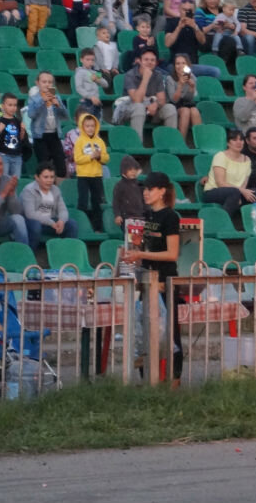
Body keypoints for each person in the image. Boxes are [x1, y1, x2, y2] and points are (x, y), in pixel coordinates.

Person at [120, 171, 186, 382]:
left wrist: (141, 253)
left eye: (150, 189)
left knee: (170, 332)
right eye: (145, 189)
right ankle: (147, 378)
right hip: (147, 280)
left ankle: (175, 380)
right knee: (144, 330)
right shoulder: (147, 217)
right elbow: (142, 245)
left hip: (165, 280)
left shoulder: (170, 217)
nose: (146, 193)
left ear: (162, 191)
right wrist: (133, 252)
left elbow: (172, 253)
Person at [122, 49, 179, 142]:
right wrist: (145, 78)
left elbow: (162, 99)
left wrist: (156, 105)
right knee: (139, 107)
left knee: (170, 108)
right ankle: (137, 146)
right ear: (139, 61)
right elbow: (137, 100)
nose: (149, 62)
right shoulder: (130, 75)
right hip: (130, 110)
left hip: (151, 111)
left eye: (152, 60)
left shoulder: (158, 75)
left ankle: (170, 143)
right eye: (146, 60)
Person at [21, 161, 78, 249]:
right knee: (36, 226)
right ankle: (30, 253)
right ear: (37, 177)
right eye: (46, 177)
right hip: (32, 222)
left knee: (72, 224)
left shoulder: (56, 190)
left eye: (52, 177)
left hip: (51, 223)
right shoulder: (29, 190)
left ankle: (67, 254)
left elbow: (63, 209)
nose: (49, 180)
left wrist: (61, 221)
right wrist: (51, 222)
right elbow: (30, 214)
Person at [202, 128, 255, 216]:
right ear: (228, 143)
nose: (239, 142)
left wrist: (241, 193)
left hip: (236, 191)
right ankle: (223, 222)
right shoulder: (220, 156)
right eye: (234, 140)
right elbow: (220, 183)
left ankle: (250, 226)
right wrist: (241, 191)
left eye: (241, 139)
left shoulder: (247, 159)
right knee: (234, 192)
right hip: (214, 191)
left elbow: (244, 182)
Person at [26, 71, 68, 178]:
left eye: (50, 82)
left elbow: (65, 116)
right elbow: (31, 114)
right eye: (44, 82)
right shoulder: (34, 98)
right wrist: (42, 101)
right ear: (38, 83)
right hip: (41, 136)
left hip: (54, 135)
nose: (47, 84)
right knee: (44, 167)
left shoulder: (56, 97)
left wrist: (59, 105)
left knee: (61, 168)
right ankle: (46, 188)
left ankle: (56, 189)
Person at [73, 112, 108, 232]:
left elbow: (106, 158)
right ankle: (81, 225)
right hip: (83, 176)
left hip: (97, 175)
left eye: (92, 125)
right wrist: (91, 157)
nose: (90, 128)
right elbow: (77, 159)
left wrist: (99, 157)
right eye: (87, 126)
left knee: (97, 202)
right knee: (82, 201)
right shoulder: (79, 141)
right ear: (82, 127)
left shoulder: (100, 141)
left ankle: (97, 227)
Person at [0, 92, 26, 177]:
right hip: (3, 156)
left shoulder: (18, 121)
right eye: (10, 105)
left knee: (15, 181)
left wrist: (23, 131)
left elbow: (21, 140)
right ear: (2, 106)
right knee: (4, 181)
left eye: (15, 105)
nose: (13, 108)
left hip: (17, 156)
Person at [166, 54, 202, 139]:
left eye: (183, 63)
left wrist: (192, 87)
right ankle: (181, 141)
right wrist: (180, 85)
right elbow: (174, 100)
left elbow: (190, 99)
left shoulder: (192, 77)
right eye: (177, 64)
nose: (180, 66)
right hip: (174, 105)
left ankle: (200, 141)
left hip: (187, 103)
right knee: (185, 111)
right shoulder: (169, 79)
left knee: (194, 110)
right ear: (174, 66)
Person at [76, 46, 109, 119]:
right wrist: (90, 97)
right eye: (87, 59)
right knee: (87, 122)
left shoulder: (95, 72)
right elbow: (79, 88)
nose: (90, 62)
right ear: (81, 60)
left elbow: (106, 84)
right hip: (86, 102)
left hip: (96, 102)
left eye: (92, 60)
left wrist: (98, 80)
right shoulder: (80, 72)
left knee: (97, 123)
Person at [112, 155, 143, 228]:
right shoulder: (119, 185)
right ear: (123, 171)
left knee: (140, 238)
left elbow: (144, 200)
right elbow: (116, 202)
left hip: (140, 217)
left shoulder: (139, 185)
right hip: (127, 218)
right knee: (131, 239)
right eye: (130, 169)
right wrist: (117, 215)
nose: (133, 172)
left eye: (135, 169)